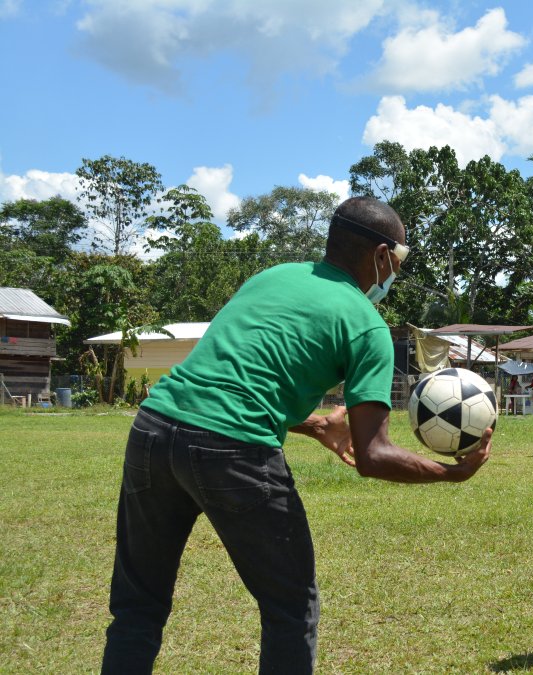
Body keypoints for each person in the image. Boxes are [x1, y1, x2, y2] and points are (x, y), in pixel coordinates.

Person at [101, 197, 492, 674]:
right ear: (382, 256)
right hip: (234, 449)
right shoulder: (366, 325)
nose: (398, 271)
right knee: (291, 609)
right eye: (402, 259)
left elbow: (231, 377)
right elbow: (373, 455)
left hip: (153, 430)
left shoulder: (273, 277)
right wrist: (451, 473)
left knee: (138, 605)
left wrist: (314, 424)